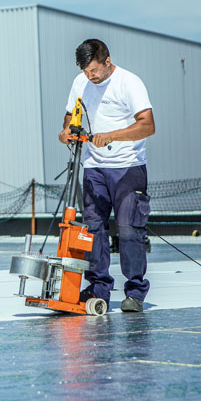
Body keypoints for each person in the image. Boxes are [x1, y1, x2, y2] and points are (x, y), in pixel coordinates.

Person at [58, 39, 155, 312]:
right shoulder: (80, 83)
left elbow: (148, 125)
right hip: (94, 167)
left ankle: (135, 291)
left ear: (107, 61)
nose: (90, 75)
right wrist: (67, 132)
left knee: (128, 230)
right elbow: (69, 117)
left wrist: (111, 136)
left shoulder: (129, 83)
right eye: (86, 71)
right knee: (93, 229)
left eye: (94, 70)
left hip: (128, 167)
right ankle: (98, 287)